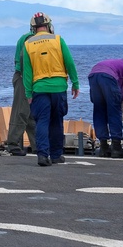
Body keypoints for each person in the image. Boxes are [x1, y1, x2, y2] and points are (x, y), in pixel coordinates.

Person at [21, 12, 79, 167]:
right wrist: (75, 83)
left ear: (33, 28)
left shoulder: (28, 44)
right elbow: (70, 63)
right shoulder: (58, 40)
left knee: (42, 122)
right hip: (59, 87)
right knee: (56, 121)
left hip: (39, 88)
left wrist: (28, 93)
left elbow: (27, 72)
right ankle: (56, 155)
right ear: (48, 25)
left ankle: (42, 155)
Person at [87, 59, 123, 158]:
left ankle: (103, 147)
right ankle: (116, 148)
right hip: (107, 76)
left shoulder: (118, 67)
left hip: (93, 74)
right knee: (114, 112)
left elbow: (93, 99)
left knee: (99, 112)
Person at [4, 22, 36, 156]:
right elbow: (25, 58)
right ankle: (12, 143)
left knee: (30, 114)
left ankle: (37, 145)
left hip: (24, 77)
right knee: (21, 111)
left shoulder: (25, 37)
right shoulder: (31, 39)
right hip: (25, 78)